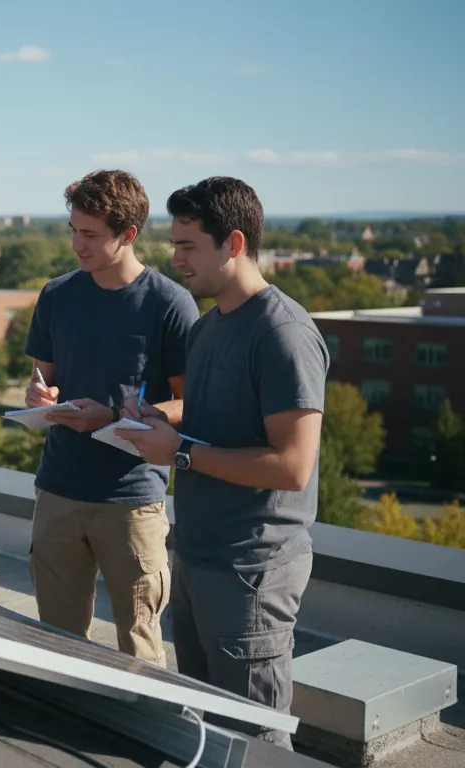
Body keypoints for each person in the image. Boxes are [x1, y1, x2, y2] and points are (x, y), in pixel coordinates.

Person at [119, 177, 328, 750]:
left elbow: (292, 467)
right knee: (209, 731)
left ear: (233, 243)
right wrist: (158, 423)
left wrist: (179, 452)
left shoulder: (283, 333)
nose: (175, 259)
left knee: (255, 740)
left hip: (252, 570)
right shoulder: (209, 327)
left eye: (188, 245)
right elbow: (218, 424)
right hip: (197, 554)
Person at [22, 170, 199, 666]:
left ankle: (143, 736)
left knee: (140, 645)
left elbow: (191, 405)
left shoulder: (171, 304)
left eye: (91, 234)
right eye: (74, 230)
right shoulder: (57, 295)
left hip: (132, 500)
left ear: (129, 235)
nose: (78, 244)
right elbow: (42, 381)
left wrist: (127, 415)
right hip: (57, 488)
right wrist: (41, 396)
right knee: (55, 641)